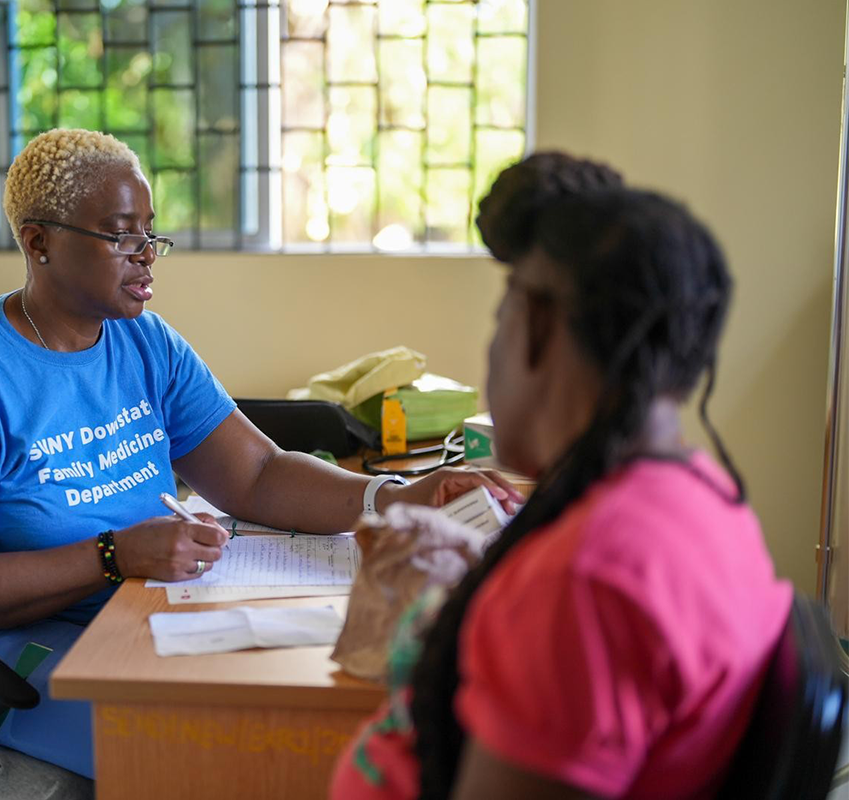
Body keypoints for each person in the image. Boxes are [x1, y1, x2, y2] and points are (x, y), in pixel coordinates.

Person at [0, 128, 522, 779]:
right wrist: (114, 553)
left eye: (150, 234)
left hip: (121, 605)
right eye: (121, 235)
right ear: (38, 241)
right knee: (192, 752)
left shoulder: (143, 342)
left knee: (306, 715)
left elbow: (259, 473)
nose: (147, 256)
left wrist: (393, 496)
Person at [330, 153, 793, 800]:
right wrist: (484, 593)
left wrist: (492, 609)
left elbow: (585, 615)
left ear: (537, 327)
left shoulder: (583, 586)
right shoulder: (706, 499)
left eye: (500, 318)